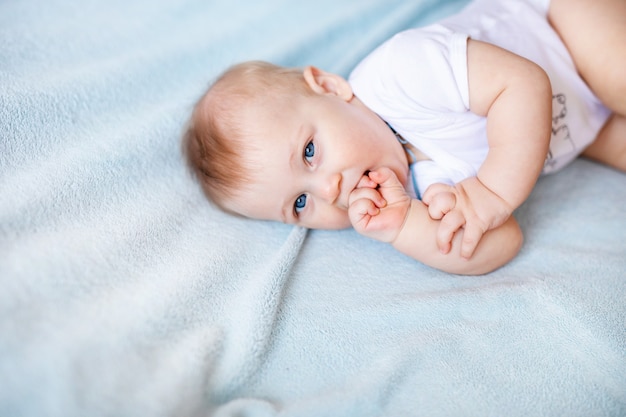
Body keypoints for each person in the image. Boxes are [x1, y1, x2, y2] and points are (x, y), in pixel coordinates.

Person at [182, 0, 626, 275]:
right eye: (300, 204)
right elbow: (502, 240)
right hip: (581, 128)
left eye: (310, 152)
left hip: (561, 27)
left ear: (331, 88)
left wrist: (491, 192)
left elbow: (525, 84)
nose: (328, 190)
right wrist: (404, 228)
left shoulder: (398, 73)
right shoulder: (410, 197)